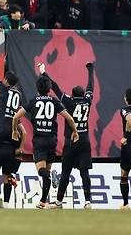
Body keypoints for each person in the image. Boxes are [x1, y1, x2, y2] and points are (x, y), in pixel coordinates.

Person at [12, 73, 78, 209]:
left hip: (40, 140)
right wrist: (75, 132)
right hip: (52, 140)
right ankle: (43, 202)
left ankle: (53, 178)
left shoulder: (33, 101)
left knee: (41, 171)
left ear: (37, 88)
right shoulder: (54, 101)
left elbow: (15, 117)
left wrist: (14, 130)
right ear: (49, 89)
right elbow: (70, 118)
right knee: (46, 173)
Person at [42, 61, 94, 209]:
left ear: (72, 94)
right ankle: (88, 202)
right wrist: (91, 71)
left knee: (66, 172)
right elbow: (91, 87)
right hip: (85, 140)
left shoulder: (69, 102)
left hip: (70, 141)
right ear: (83, 94)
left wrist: (44, 73)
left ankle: (58, 202)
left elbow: (55, 87)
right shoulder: (87, 101)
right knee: (85, 172)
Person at [0, 51, 24, 208]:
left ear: (7, 81)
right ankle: (7, 204)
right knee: (8, 176)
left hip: (1, 129)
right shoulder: (19, 95)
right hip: (14, 133)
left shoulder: (3, 89)